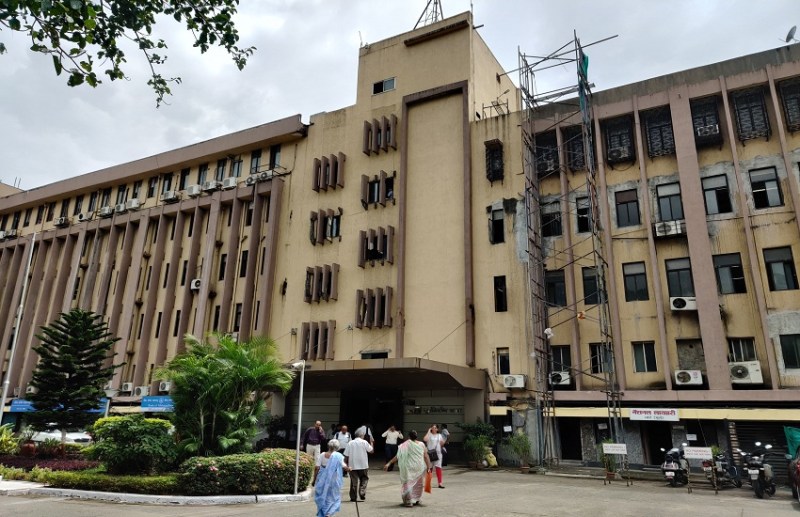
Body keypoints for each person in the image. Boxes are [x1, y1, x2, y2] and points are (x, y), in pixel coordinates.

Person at [384, 429, 431, 507]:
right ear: (416, 436)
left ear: (408, 437)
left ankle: (408, 500)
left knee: (408, 483)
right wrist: (429, 467)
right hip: (419, 467)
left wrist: (389, 463)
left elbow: (398, 456)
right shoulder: (421, 444)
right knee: (418, 484)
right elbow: (426, 456)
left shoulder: (405, 445)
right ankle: (417, 498)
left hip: (409, 467)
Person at [314, 439, 348, 517]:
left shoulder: (322, 455)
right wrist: (349, 469)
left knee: (323, 496)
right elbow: (344, 466)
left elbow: (317, 467)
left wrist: (314, 479)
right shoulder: (338, 456)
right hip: (334, 479)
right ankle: (329, 513)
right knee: (334, 497)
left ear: (328, 446)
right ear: (338, 447)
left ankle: (323, 512)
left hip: (322, 479)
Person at [344, 428, 373, 502]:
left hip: (352, 465)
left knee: (353, 481)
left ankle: (353, 497)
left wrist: (344, 464)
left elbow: (346, 455)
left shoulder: (350, 443)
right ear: (361, 435)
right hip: (363, 465)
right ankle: (362, 492)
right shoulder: (364, 442)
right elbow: (371, 451)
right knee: (364, 479)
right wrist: (371, 443)